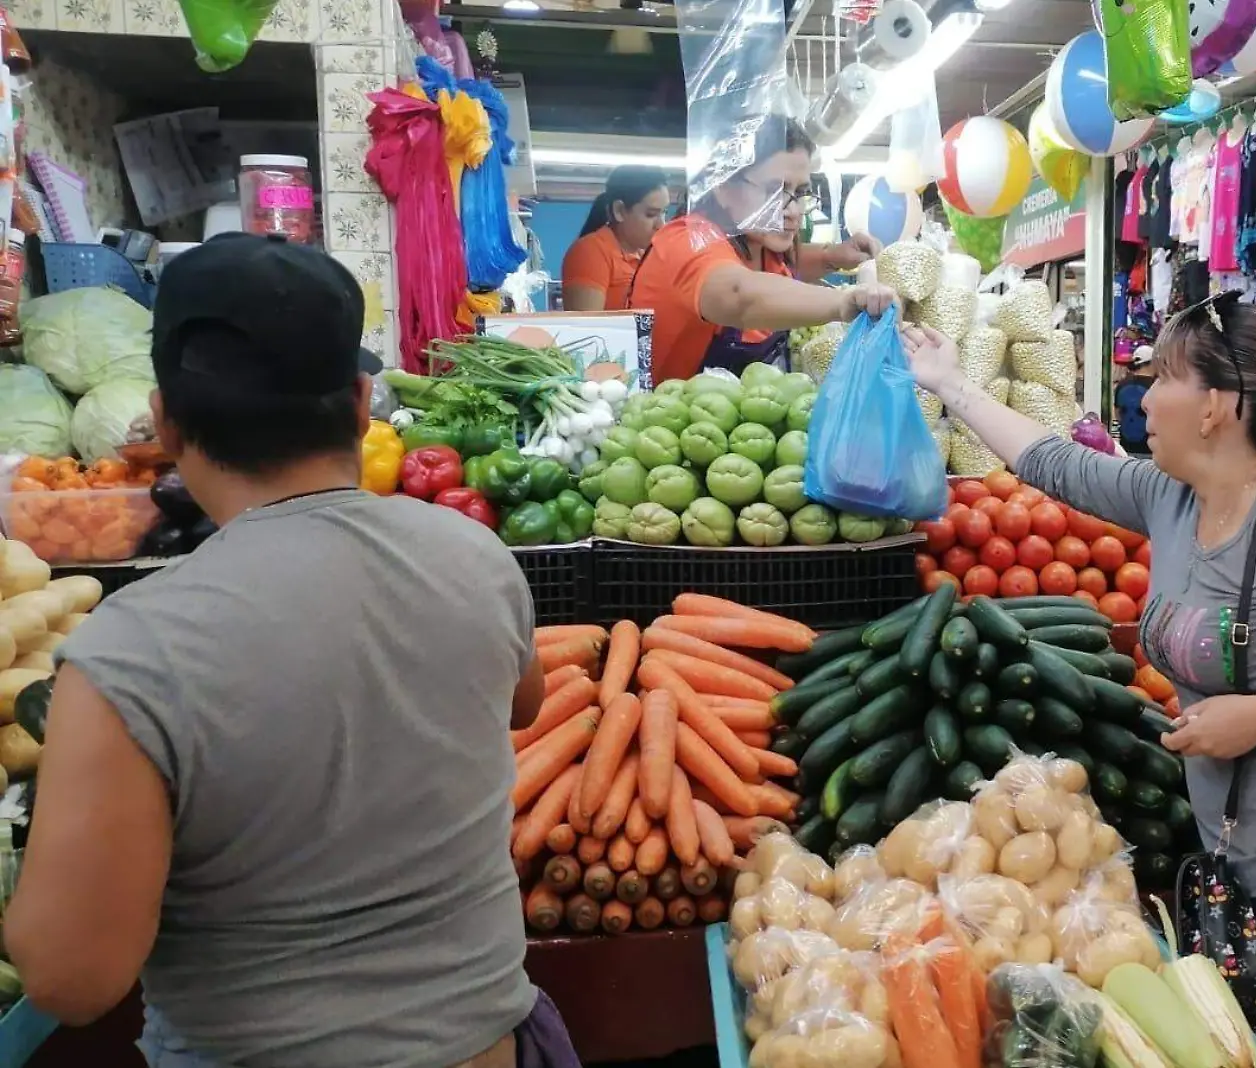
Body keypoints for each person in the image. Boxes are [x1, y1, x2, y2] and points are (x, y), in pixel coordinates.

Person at [5, 234, 577, 1068]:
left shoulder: (133, 649)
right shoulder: (477, 557)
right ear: (358, 402)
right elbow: (522, 705)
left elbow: (70, 981)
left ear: (163, 421)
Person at [902, 294, 1256, 1068]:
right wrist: (950, 384)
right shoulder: (1173, 498)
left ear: (1215, 408)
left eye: (1161, 374)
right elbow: (1054, 463)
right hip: (1238, 870)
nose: (1142, 392)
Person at [631, 117, 895, 381]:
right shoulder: (688, 239)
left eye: (800, 192)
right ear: (724, 187)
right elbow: (739, 294)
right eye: (774, 191)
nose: (793, 211)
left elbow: (780, 268)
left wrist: (831, 256)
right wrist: (843, 302)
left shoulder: (760, 243)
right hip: (669, 416)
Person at [561, 165, 671, 312]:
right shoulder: (591, 252)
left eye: (664, 213)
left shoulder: (646, 256)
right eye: (651, 214)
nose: (661, 225)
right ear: (619, 210)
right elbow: (587, 331)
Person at [1114, 345, 1155, 455]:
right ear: (1152, 363)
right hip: (1149, 450)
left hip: (1126, 447)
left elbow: (1117, 414)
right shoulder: (1156, 386)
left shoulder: (1122, 384)